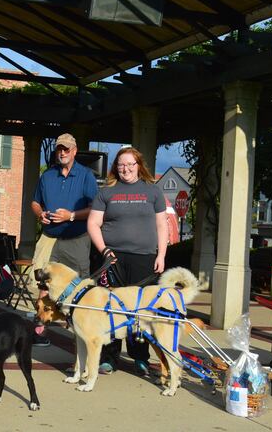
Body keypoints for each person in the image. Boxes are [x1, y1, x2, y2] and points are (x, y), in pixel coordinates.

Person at [87, 146, 168, 376]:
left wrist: (161, 254)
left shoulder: (153, 192)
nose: (126, 169)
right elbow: (93, 223)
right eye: (121, 165)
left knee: (142, 311)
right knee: (112, 308)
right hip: (114, 258)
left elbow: (162, 225)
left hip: (145, 259)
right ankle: (109, 358)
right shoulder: (106, 192)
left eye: (130, 164)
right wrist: (104, 251)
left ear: (139, 166)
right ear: (116, 167)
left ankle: (140, 358)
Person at [30, 133, 97, 347]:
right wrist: (39, 213)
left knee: (78, 288)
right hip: (49, 237)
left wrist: (71, 215)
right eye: (59, 149)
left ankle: (81, 335)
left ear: (75, 151)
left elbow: (96, 209)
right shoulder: (48, 176)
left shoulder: (86, 175)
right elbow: (34, 202)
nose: (62, 152)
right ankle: (40, 330)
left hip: (76, 238)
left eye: (66, 149)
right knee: (42, 285)